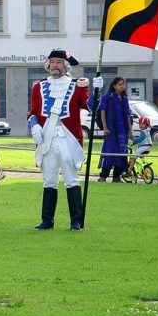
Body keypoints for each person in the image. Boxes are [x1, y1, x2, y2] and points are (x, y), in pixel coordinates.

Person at [27, 49, 103, 231]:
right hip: (47, 137)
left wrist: (97, 91)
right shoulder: (39, 86)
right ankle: (47, 221)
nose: (55, 65)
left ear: (66, 65)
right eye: (52, 61)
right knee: (49, 180)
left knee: (71, 179)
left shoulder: (77, 85)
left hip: (68, 138)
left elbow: (89, 105)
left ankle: (75, 221)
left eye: (59, 62)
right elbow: (32, 112)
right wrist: (34, 125)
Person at [98, 76, 132, 183]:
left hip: (122, 130)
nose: (122, 86)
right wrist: (105, 127)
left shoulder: (124, 99)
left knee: (122, 152)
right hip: (111, 129)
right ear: (114, 86)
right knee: (110, 151)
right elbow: (102, 112)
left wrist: (130, 130)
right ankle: (103, 176)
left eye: (123, 84)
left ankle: (117, 177)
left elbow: (127, 115)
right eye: (119, 84)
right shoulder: (107, 97)